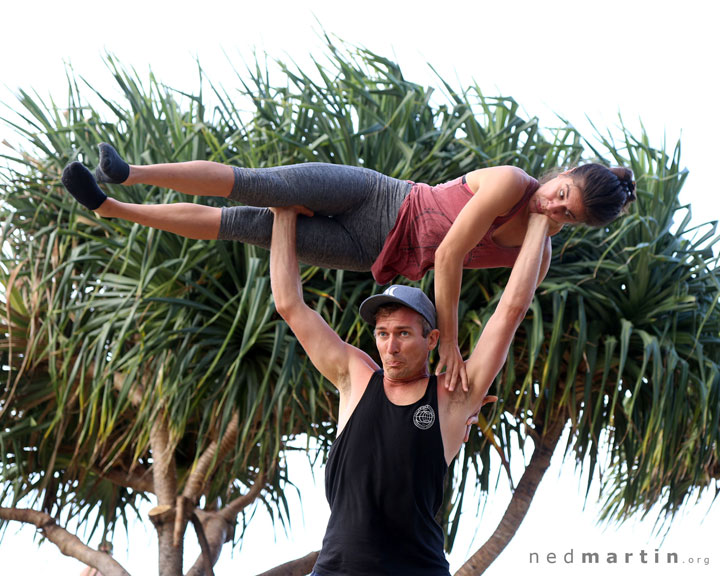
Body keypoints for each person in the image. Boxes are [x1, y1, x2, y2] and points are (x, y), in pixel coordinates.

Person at [61, 144, 636, 389]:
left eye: (567, 212)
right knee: (263, 185)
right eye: (560, 190)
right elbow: (453, 252)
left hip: (374, 253)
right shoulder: (512, 181)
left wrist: (541, 230)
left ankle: (110, 208)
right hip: (382, 198)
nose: (552, 204)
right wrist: (451, 341)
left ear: (578, 225)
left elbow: (511, 311)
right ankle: (128, 174)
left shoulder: (535, 254)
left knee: (251, 226)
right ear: (561, 173)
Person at [268, 204, 551, 575]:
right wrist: (283, 213)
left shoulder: (452, 397)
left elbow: (510, 311)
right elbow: (290, 305)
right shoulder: (355, 377)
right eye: (383, 334)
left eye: (403, 334)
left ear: (432, 339)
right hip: (337, 569)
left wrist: (541, 221)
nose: (390, 347)